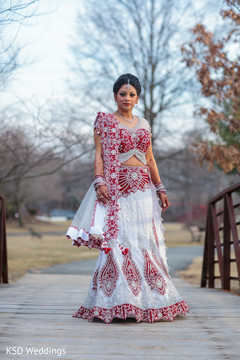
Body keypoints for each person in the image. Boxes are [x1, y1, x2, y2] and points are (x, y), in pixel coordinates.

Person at [66, 73, 190, 323]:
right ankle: (117, 301)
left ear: (137, 98)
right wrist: (99, 181)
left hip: (143, 191)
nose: (127, 98)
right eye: (122, 93)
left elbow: (150, 159)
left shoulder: (144, 124)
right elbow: (99, 155)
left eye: (132, 94)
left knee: (144, 239)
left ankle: (149, 299)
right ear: (115, 96)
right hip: (117, 189)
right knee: (119, 238)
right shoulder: (106, 123)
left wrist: (160, 188)